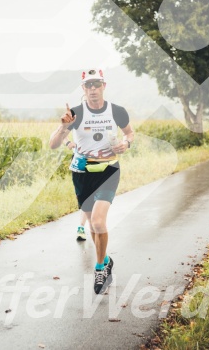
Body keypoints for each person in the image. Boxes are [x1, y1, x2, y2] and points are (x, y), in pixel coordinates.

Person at [49, 68, 134, 294]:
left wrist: (126, 144)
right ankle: (106, 259)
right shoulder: (75, 113)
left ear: (104, 86)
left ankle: (100, 269)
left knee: (97, 222)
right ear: (83, 88)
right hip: (82, 173)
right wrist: (63, 126)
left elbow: (130, 134)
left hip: (108, 170)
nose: (93, 89)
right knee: (94, 226)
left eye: (97, 84)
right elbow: (53, 144)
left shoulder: (117, 111)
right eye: (88, 85)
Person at [62, 137, 88, 241]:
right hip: (79, 161)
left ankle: (92, 224)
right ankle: (82, 227)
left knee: (96, 196)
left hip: (99, 161)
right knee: (83, 197)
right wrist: (67, 142)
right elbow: (60, 131)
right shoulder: (75, 119)